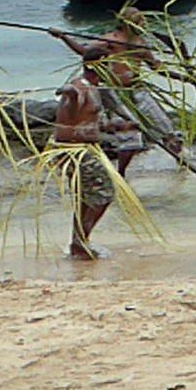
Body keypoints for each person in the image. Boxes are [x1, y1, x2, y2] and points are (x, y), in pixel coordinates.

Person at [50, 8, 183, 174]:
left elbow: (156, 66)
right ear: (126, 23)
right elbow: (85, 52)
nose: (141, 25)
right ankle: (121, 174)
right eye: (137, 22)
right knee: (129, 135)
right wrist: (64, 37)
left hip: (138, 89)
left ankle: (181, 163)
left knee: (165, 127)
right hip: (116, 91)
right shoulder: (110, 40)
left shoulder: (140, 42)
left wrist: (183, 77)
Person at [55, 44, 134, 260]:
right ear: (101, 67)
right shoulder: (80, 88)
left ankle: (78, 242)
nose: (113, 70)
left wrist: (119, 125)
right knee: (105, 193)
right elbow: (72, 102)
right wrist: (68, 93)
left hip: (86, 148)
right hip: (74, 150)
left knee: (86, 197)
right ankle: (80, 240)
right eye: (110, 66)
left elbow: (93, 121)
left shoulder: (95, 89)